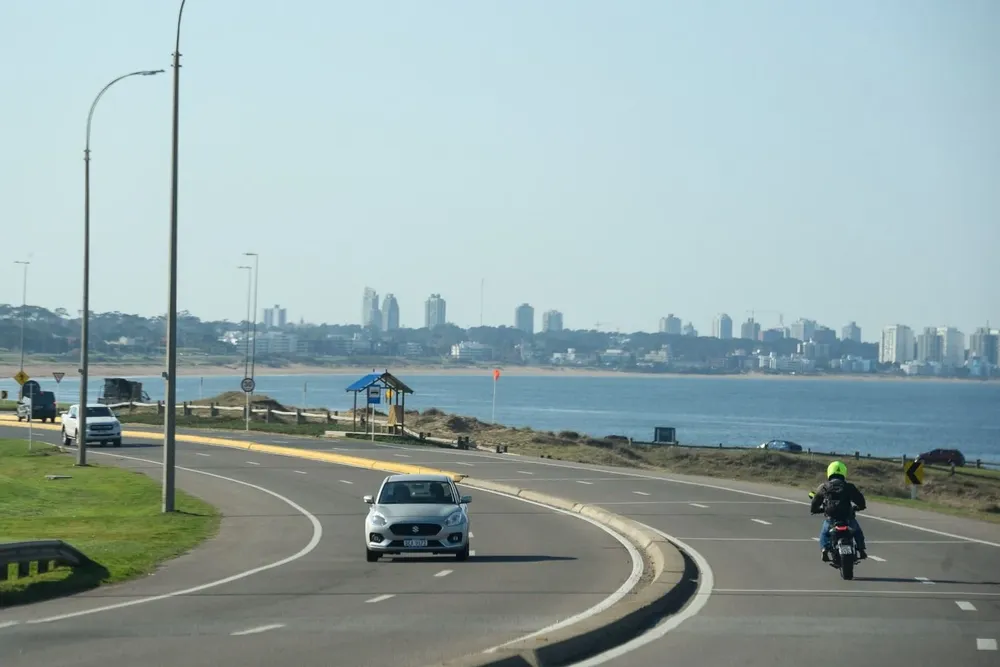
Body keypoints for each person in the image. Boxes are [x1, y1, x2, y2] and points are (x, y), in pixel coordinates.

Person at [810, 460, 867, 561]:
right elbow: (860, 499)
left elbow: (815, 501)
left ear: (829, 472)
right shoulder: (849, 486)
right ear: (843, 472)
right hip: (847, 518)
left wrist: (815, 510)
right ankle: (861, 549)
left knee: (824, 533)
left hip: (831, 518)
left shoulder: (824, 486)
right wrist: (860, 507)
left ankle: (824, 550)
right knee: (857, 531)